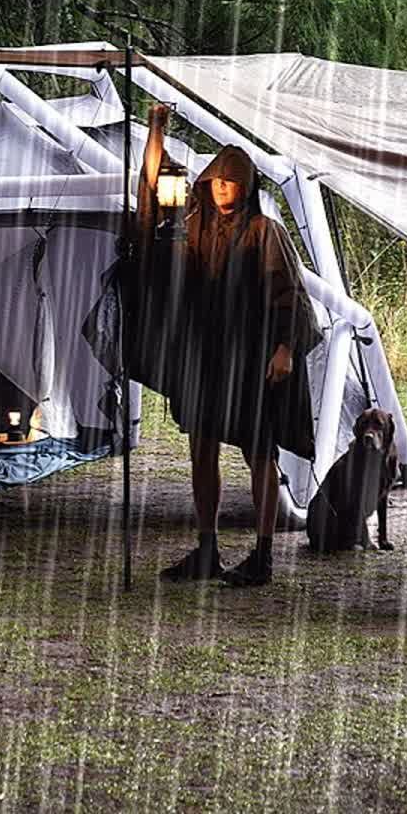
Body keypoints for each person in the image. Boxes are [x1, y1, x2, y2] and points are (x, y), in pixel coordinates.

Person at [133, 104, 321, 587]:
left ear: (247, 187)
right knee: (201, 448)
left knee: (259, 453)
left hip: (253, 358)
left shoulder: (265, 233)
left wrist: (285, 348)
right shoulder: (193, 227)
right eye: (217, 179)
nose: (222, 188)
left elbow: (290, 295)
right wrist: (157, 131)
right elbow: (152, 196)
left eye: (232, 181)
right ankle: (208, 548)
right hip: (207, 356)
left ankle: (262, 555)